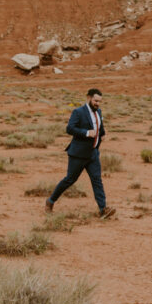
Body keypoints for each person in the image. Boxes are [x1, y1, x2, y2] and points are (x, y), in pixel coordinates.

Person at [47, 88, 116, 219]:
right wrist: (86, 132)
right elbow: (70, 128)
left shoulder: (99, 111)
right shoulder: (78, 112)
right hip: (78, 154)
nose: (98, 104)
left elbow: (99, 126)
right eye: (96, 101)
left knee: (97, 181)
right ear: (89, 98)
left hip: (93, 154)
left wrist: (103, 134)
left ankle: (103, 209)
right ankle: (50, 201)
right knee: (69, 180)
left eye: (100, 101)